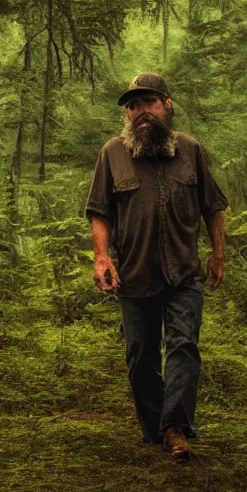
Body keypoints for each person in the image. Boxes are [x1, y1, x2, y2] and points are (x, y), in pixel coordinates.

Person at [85, 72, 229, 462]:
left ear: (167, 104)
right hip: (134, 274)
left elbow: (214, 206)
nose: (140, 111)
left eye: (148, 102)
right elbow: (99, 212)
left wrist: (218, 254)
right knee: (141, 354)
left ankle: (175, 428)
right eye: (133, 105)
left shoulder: (191, 150)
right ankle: (156, 428)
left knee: (184, 346)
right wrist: (102, 257)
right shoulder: (112, 153)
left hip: (184, 272)